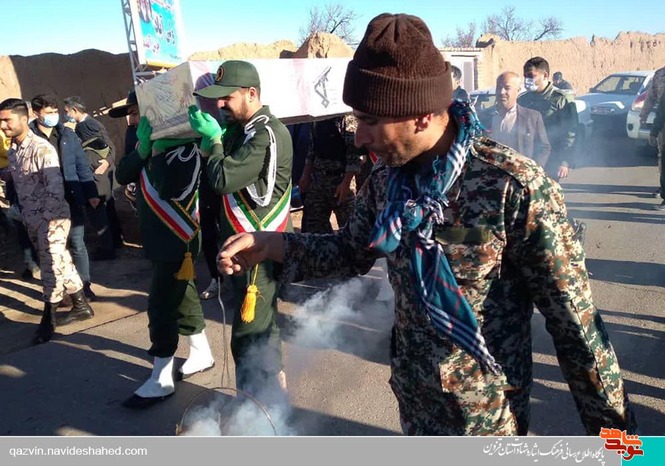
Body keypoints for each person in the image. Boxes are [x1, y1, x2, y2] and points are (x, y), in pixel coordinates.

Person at [216, 13, 637, 436]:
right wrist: (271, 245)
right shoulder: (387, 181)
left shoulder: (513, 187)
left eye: (370, 121)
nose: (359, 138)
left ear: (421, 115)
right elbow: (349, 250)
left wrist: (622, 448)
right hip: (414, 404)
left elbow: (578, 332)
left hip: (486, 421)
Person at [189, 60, 293, 401]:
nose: (220, 104)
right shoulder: (244, 129)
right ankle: (272, 397)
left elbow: (223, 178)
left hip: (259, 247)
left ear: (251, 93)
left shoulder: (265, 133)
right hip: (245, 244)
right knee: (262, 326)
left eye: (227, 97)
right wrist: (213, 141)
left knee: (249, 335)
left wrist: (215, 141)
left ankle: (252, 409)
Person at [116, 117, 215, 409]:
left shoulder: (185, 148)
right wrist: (142, 151)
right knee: (184, 296)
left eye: (138, 111)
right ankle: (201, 351)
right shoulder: (145, 143)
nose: (134, 118)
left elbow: (169, 188)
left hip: (178, 239)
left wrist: (156, 153)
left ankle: (161, 377)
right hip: (157, 238)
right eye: (132, 113)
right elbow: (122, 174)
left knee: (160, 305)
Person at [0, 98, 95, 344]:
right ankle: (81, 306)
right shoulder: (14, 150)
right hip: (31, 218)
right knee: (61, 260)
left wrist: (47, 225)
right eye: (1, 121)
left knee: (50, 265)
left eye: (7, 120)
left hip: (51, 220)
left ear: (24, 119)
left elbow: (55, 190)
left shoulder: (41, 149)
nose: (3, 125)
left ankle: (48, 320)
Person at [30, 94, 100, 302]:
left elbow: (81, 165)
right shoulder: (29, 139)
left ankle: (84, 286)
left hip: (71, 196)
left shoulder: (67, 135)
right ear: (36, 113)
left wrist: (91, 192)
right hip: (44, 202)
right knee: (54, 248)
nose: (53, 116)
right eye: (48, 112)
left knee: (77, 243)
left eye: (55, 111)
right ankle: (60, 290)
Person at [518, 57, 586, 244]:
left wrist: (565, 161)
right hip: (529, 158)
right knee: (529, 201)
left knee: (550, 200)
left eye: (531, 76)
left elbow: (571, 132)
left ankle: (571, 232)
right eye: (525, 76)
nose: (527, 80)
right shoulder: (523, 100)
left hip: (553, 158)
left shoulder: (560, 99)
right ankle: (537, 241)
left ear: (545, 75)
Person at [64, 95, 125, 251]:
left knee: (98, 211)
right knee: (108, 208)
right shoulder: (90, 123)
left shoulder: (85, 126)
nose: (66, 115)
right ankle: (115, 241)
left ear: (74, 110)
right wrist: (108, 161)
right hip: (102, 173)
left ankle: (107, 248)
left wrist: (105, 162)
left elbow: (102, 147)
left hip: (97, 174)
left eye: (67, 111)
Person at [299, 115, 360, 233]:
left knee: (349, 228)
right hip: (319, 181)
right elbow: (312, 149)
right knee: (315, 227)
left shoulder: (347, 119)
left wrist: (346, 182)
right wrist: (305, 175)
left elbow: (354, 154)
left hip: (340, 181)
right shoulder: (318, 118)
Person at [491, 71, 551, 167]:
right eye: (498, 87)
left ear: (518, 90)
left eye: (507, 88)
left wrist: (532, 169)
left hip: (520, 173)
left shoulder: (532, 117)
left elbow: (543, 147)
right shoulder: (484, 117)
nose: (501, 92)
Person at [109, 89, 140, 209]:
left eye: (134, 114)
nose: (130, 121)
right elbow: (122, 175)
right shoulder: (132, 132)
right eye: (129, 115)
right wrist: (140, 154)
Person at [639, 64, 665, 206]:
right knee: (662, 158)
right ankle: (663, 187)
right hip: (663, 125)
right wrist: (644, 115)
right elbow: (651, 98)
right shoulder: (659, 74)